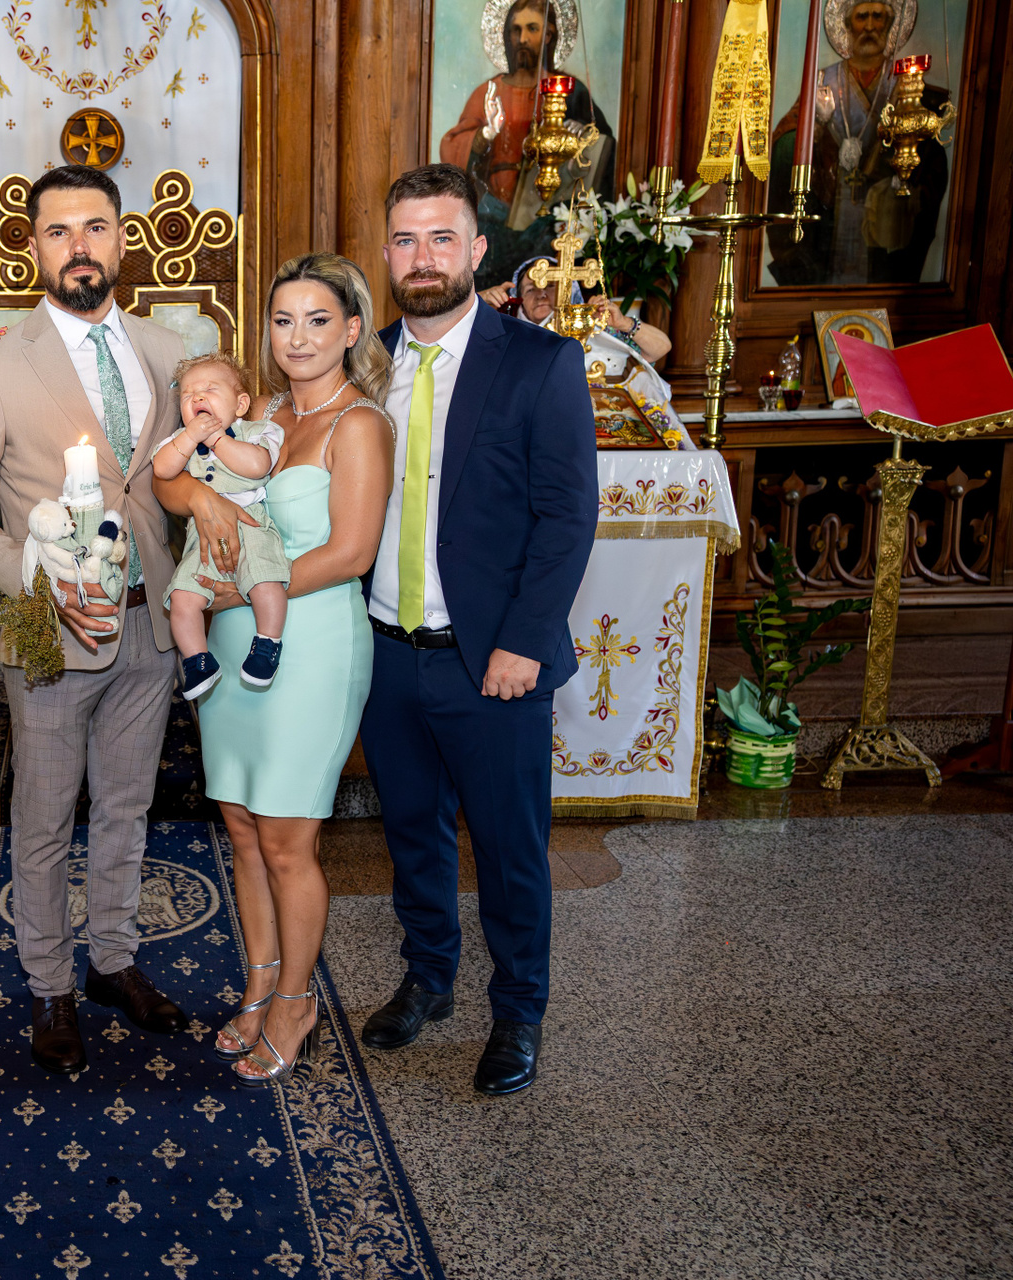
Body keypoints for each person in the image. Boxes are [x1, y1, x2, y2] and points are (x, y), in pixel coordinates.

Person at [0, 165, 191, 1076]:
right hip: (49, 633)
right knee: (44, 818)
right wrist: (38, 581)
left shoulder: (170, 351)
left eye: (95, 227)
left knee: (127, 807)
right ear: (34, 248)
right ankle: (48, 984)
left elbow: (185, 481)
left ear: (123, 237)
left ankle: (113, 960)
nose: (79, 246)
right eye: (58, 231)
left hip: (149, 626)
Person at [357, 164, 596, 1096]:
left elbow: (567, 516)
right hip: (384, 651)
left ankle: (519, 1010)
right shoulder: (363, 362)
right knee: (411, 833)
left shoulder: (539, 362)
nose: (423, 257)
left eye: (442, 238)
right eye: (406, 239)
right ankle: (428, 978)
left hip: (491, 656)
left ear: (477, 249)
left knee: (507, 846)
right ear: (386, 254)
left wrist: (524, 642)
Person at [157, 254, 392, 1084]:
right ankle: (259, 986)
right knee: (242, 826)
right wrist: (204, 500)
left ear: (352, 330)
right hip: (231, 642)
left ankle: (296, 1003)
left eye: (318, 320)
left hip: (311, 644)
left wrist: (231, 590)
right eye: (284, 321)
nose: (298, 337)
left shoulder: (358, 425)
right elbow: (175, 483)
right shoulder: (256, 412)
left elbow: (351, 552)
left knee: (289, 841)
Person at [767, 0, 951, 286]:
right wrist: (817, 126)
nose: (869, 26)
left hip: (883, 221)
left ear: (890, 24)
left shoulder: (906, 85)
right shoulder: (822, 81)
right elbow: (786, 145)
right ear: (847, 25)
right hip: (829, 220)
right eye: (862, 16)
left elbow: (932, 158)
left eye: (878, 17)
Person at [438, 0, 614, 287]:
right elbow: (454, 148)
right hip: (493, 217)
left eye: (532, 28)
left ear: (549, 34)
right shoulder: (489, 92)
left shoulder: (570, 91)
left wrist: (582, 132)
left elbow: (601, 146)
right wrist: (486, 134)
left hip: (547, 214)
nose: (522, 38)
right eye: (516, 29)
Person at [152, 352, 292, 698]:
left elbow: (257, 466)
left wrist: (217, 439)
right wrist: (189, 437)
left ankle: (267, 643)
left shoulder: (258, 432)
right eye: (188, 394)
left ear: (240, 404)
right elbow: (163, 470)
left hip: (251, 523)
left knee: (265, 579)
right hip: (202, 534)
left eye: (210, 390)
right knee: (182, 597)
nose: (197, 397)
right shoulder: (180, 441)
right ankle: (198, 660)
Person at [481, 257, 673, 365]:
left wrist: (624, 324)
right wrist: (479, 302)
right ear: (518, 298)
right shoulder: (504, 334)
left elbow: (661, 348)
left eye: (550, 286)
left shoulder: (592, 326)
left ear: (569, 290)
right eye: (531, 289)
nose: (541, 295)